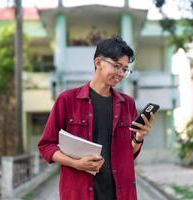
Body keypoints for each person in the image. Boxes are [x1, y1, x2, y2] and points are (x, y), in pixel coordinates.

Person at [38, 36, 155, 200]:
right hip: (79, 193)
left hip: (120, 193)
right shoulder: (67, 100)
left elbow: (128, 152)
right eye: (117, 66)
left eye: (125, 69)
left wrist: (139, 138)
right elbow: (46, 146)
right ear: (98, 62)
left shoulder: (127, 103)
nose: (121, 73)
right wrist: (76, 163)